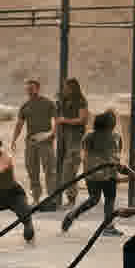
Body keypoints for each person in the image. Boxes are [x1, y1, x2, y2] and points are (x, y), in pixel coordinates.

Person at [60, 110, 124, 237]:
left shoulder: (90, 136)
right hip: (108, 174)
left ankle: (73, 214)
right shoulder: (115, 136)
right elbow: (118, 153)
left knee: (94, 199)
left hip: (92, 174)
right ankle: (108, 226)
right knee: (109, 200)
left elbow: (84, 154)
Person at [11, 78, 58, 204]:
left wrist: (52, 134)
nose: (30, 91)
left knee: (49, 169)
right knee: (32, 170)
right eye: (28, 89)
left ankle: (52, 198)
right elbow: (19, 124)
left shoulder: (48, 103)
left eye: (32, 88)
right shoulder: (25, 106)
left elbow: (56, 120)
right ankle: (36, 198)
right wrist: (14, 139)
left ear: (38, 88)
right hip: (31, 142)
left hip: (45, 141)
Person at [54, 78, 89, 207]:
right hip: (63, 139)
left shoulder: (80, 101)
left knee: (69, 170)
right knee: (62, 169)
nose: (64, 90)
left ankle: (71, 199)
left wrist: (65, 120)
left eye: (67, 88)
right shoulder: (63, 102)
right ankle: (64, 198)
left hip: (75, 139)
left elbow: (82, 119)